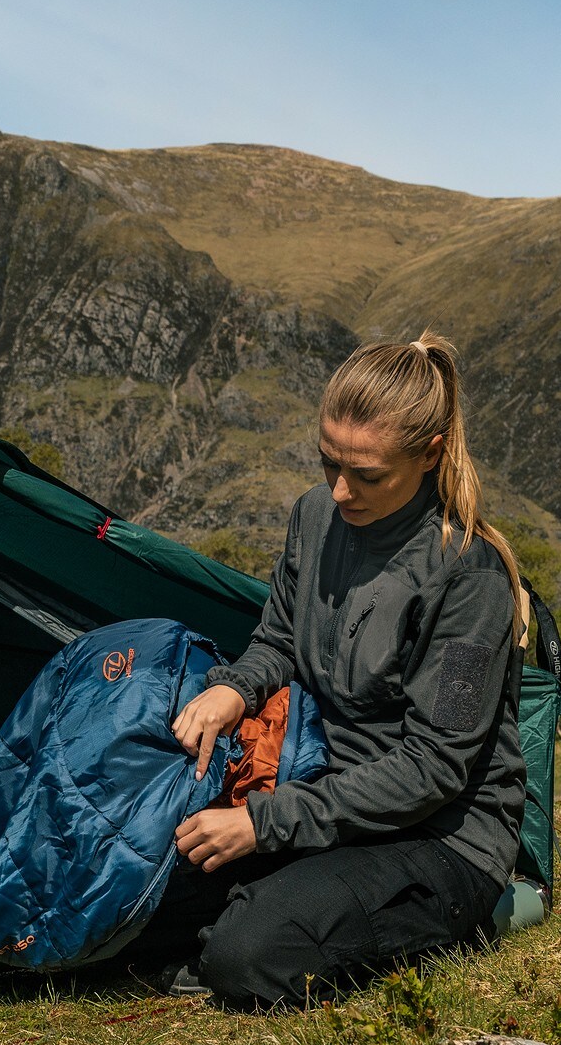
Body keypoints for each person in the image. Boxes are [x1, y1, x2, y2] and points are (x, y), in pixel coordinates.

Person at [159, 331, 530, 1009]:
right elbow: (278, 640)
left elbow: (435, 769)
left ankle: (483, 913)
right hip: (324, 796)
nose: (340, 490)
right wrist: (233, 689)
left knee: (247, 956)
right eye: (327, 462)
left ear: (429, 454)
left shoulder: (468, 577)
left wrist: (267, 822)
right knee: (154, 884)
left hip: (442, 838)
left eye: (367, 475)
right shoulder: (313, 518)